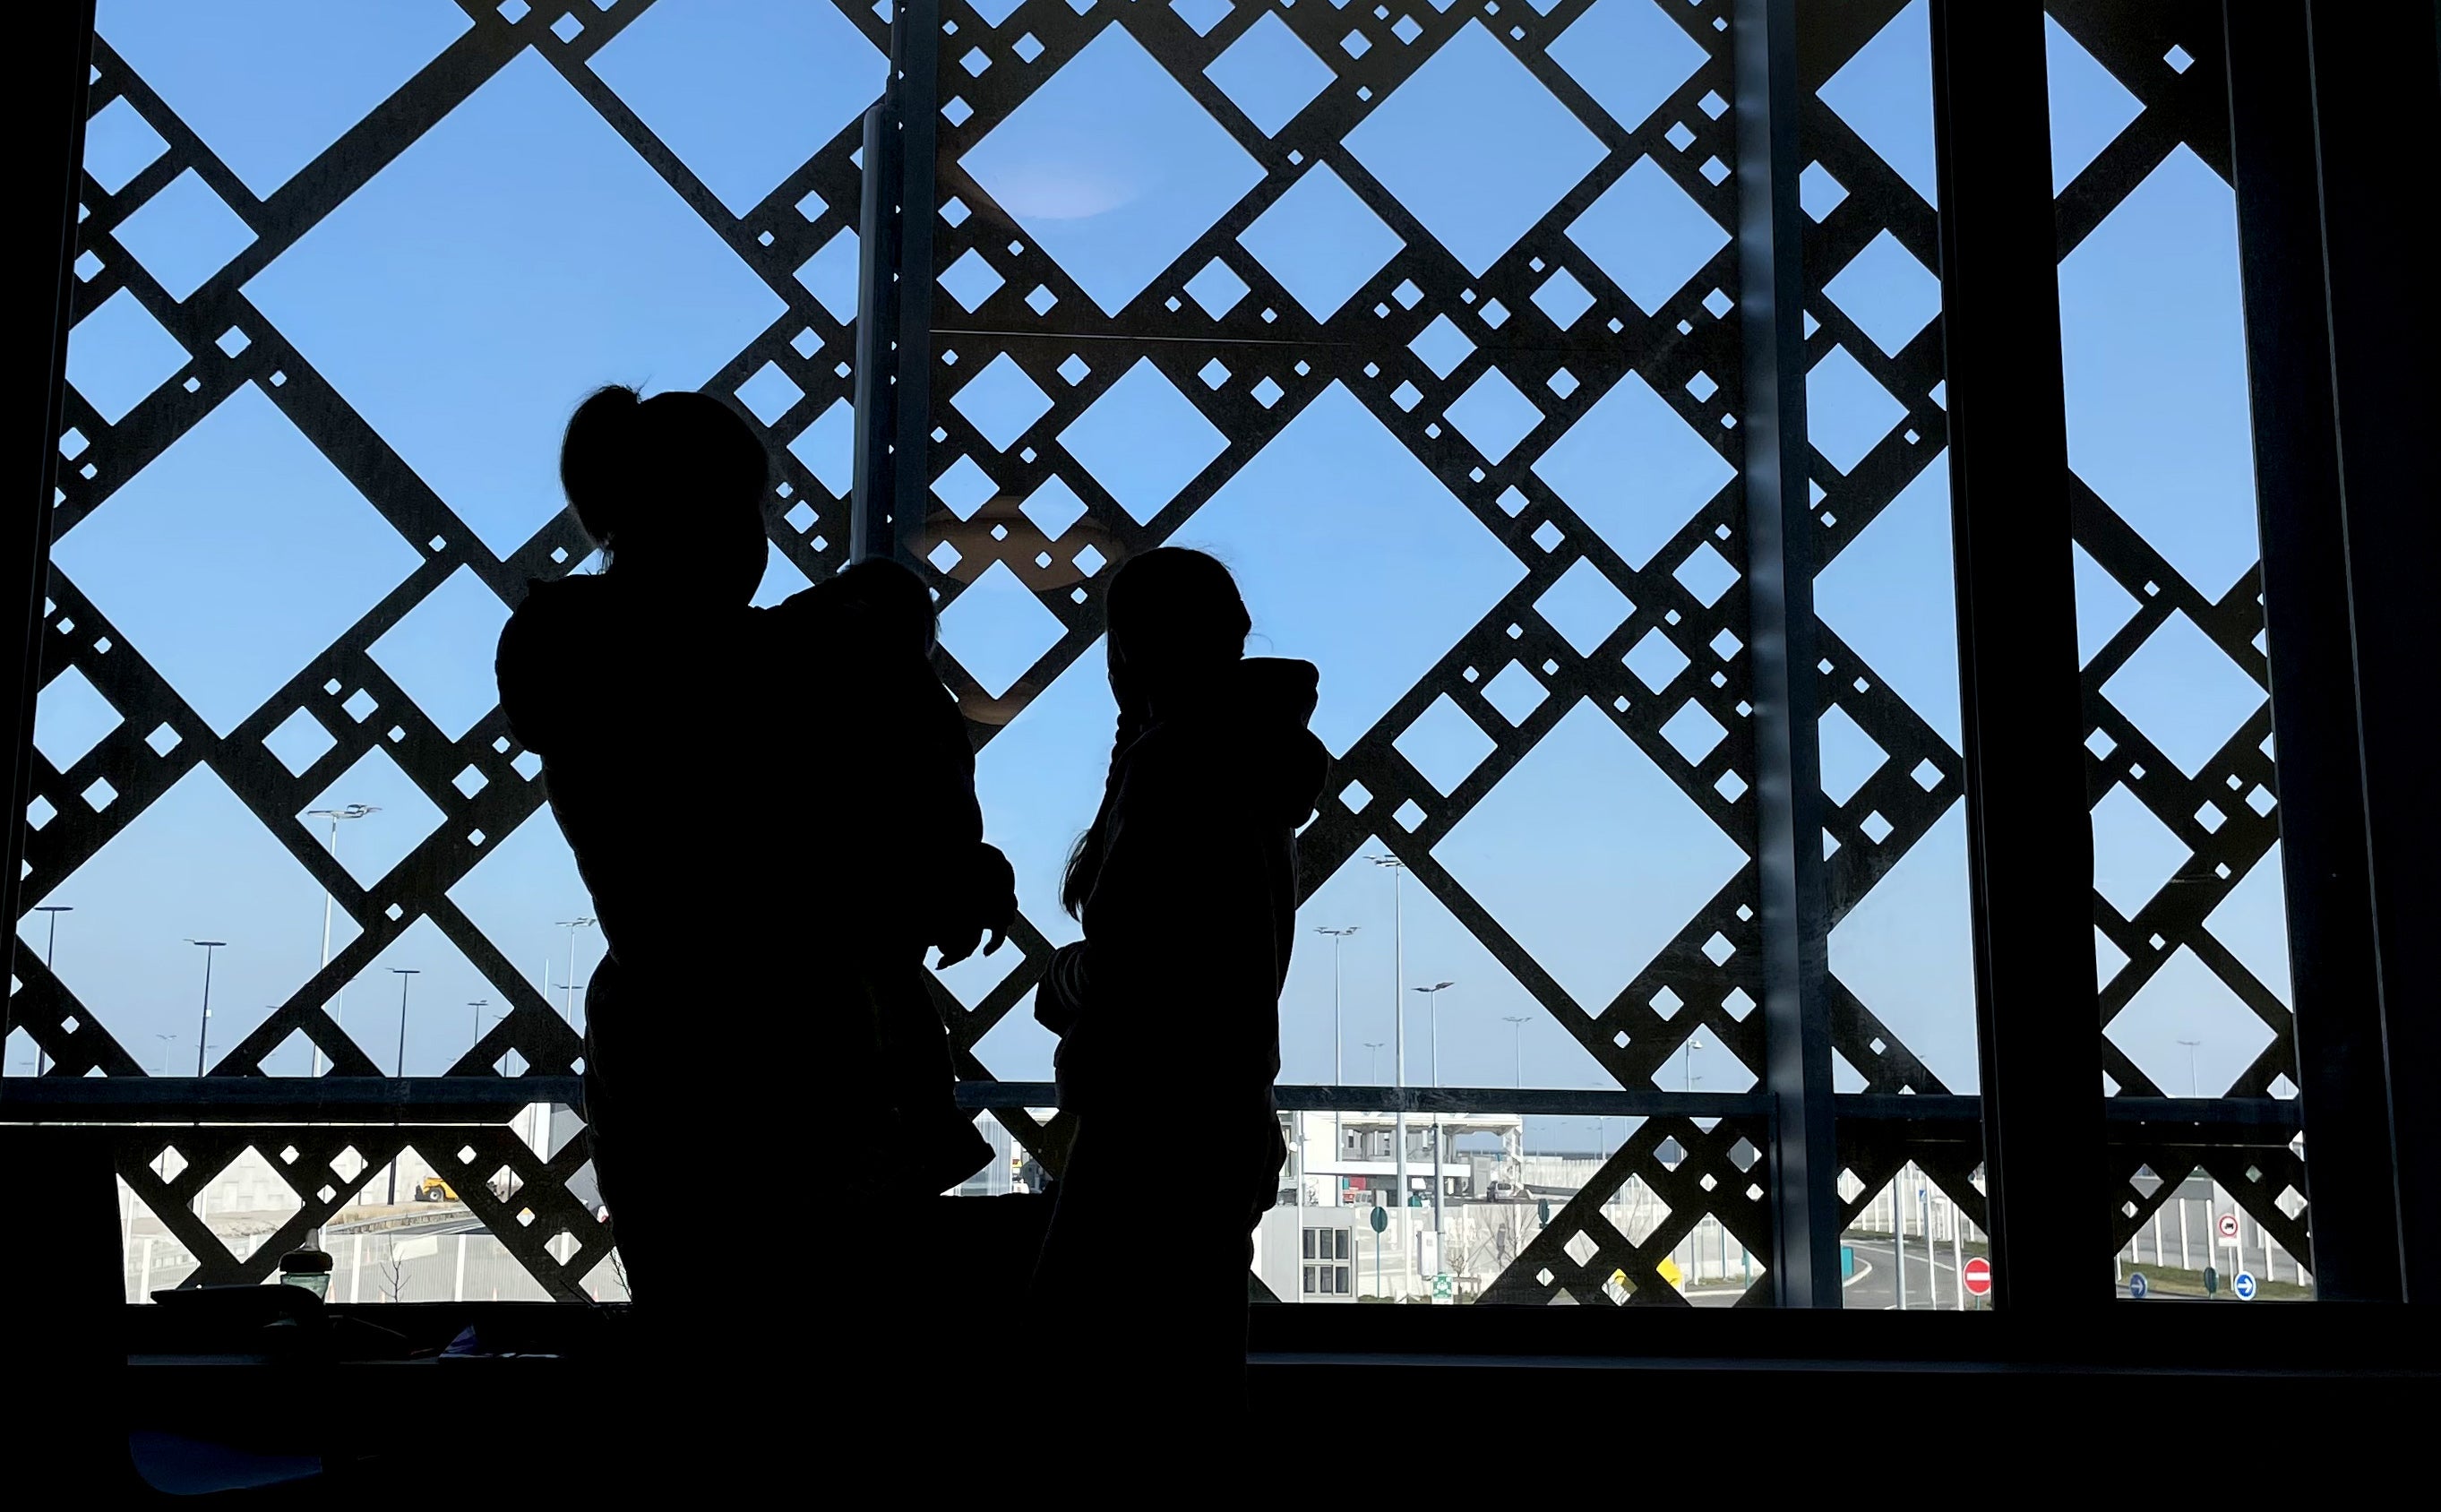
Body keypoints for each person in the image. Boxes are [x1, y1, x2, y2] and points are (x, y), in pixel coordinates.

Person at [494, 387, 1007, 1327]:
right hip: (806, 1081)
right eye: (744, 508)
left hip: (674, 1081)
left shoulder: (579, 652)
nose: (756, 537)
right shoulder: (779, 664)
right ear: (687, 517)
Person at [1029, 547, 1329, 1437]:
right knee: (1191, 1392)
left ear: (1126, 650)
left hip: (1150, 1126)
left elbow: (1134, 968)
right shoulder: (1252, 765)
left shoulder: (1176, 767)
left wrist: (1066, 979)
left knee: (1082, 1378)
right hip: (1222, 1116)